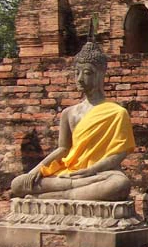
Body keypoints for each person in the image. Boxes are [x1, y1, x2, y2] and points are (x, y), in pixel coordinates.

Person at [10, 33, 133, 201]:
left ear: (100, 74)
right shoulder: (70, 112)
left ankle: (50, 198)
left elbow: (118, 154)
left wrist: (91, 170)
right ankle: (62, 195)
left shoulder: (117, 112)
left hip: (96, 174)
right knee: (18, 184)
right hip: (68, 173)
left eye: (87, 73)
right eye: (77, 73)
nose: (80, 79)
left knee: (119, 184)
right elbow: (63, 149)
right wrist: (35, 171)